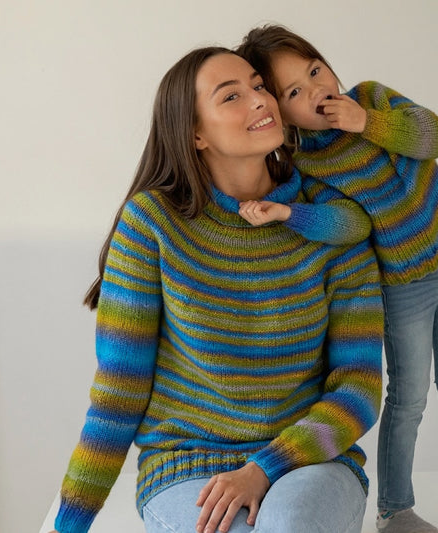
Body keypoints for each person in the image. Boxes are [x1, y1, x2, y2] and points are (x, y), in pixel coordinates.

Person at [48, 46, 384, 533]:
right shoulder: (152, 225)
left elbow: (359, 387)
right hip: (186, 466)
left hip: (308, 462)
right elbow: (120, 390)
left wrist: (264, 467)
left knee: (290, 526)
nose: (260, 100)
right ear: (195, 133)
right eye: (231, 96)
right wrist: (69, 524)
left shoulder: (332, 223)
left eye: (259, 86)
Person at [236, 24, 438, 533]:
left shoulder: (372, 99)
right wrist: (290, 214)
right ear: (281, 112)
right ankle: (394, 509)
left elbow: (434, 137)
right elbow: (351, 225)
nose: (315, 90)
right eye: (294, 91)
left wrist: (369, 123)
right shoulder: (309, 164)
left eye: (315, 71)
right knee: (408, 397)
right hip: (405, 287)